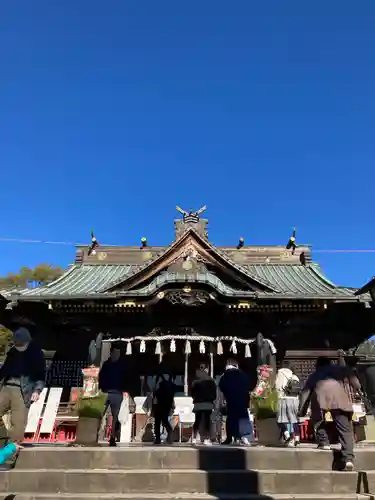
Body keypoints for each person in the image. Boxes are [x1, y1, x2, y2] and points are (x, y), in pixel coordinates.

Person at [299, 356, 361, 471]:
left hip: (322, 401)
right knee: (345, 430)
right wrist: (358, 388)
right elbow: (355, 381)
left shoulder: (315, 375)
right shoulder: (340, 369)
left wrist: (301, 410)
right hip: (340, 400)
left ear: (318, 365)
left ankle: (324, 442)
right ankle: (348, 459)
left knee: (318, 420)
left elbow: (305, 393)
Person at [0, 327, 45, 464]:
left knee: (18, 424)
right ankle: (3, 442)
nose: (18, 346)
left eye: (20, 344)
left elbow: (41, 375)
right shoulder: (13, 352)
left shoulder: (36, 353)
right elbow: (4, 370)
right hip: (7, 386)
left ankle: (9, 457)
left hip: (23, 389)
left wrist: (37, 391)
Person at [99, 345, 128, 447]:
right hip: (106, 392)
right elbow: (101, 377)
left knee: (116, 417)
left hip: (117, 393)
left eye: (118, 353)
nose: (117, 355)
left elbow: (125, 378)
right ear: (111, 353)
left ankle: (112, 438)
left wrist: (124, 390)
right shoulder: (107, 364)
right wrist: (102, 388)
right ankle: (96, 434)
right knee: (100, 414)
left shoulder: (121, 365)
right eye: (115, 353)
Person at [219, 358, 252, 445]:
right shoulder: (242, 375)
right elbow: (248, 385)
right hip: (242, 399)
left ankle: (230, 437)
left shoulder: (224, 376)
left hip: (230, 399)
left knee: (231, 418)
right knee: (243, 417)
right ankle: (244, 437)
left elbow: (221, 386)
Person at [275, 361, 301, 447]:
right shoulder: (295, 376)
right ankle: (297, 438)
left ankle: (287, 436)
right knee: (295, 420)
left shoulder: (279, 375)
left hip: (283, 399)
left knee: (281, 419)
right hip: (294, 400)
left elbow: (277, 388)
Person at [191, 362, 217, 446]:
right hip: (208, 403)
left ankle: (194, 437)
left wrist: (196, 399)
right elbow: (214, 393)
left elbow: (192, 393)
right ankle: (206, 438)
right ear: (207, 369)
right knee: (206, 421)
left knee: (197, 421)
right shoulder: (211, 380)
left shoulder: (195, 381)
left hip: (198, 403)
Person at [152, 373, 177, 445]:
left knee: (157, 423)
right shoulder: (169, 392)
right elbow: (171, 400)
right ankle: (169, 434)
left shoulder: (158, 391)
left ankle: (158, 439)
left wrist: (154, 407)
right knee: (165, 421)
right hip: (165, 407)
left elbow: (155, 400)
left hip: (159, 407)